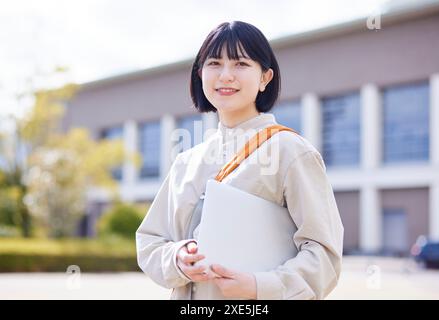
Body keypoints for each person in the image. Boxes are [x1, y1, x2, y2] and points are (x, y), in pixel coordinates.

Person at [136, 21, 344, 300]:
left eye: (241, 64)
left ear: (265, 78)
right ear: (200, 74)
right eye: (214, 63)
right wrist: (178, 259)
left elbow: (324, 254)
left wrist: (261, 286)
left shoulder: (291, 151)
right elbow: (150, 241)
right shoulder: (187, 161)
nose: (225, 75)